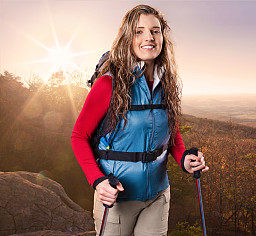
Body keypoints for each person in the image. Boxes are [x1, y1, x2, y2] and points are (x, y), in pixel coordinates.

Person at [70, 5, 209, 235]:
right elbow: (79, 136)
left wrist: (185, 159)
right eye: (139, 31)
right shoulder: (108, 84)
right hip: (117, 199)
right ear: (128, 37)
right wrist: (98, 181)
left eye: (155, 31)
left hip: (158, 196)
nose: (149, 37)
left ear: (163, 37)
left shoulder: (167, 83)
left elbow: (171, 134)